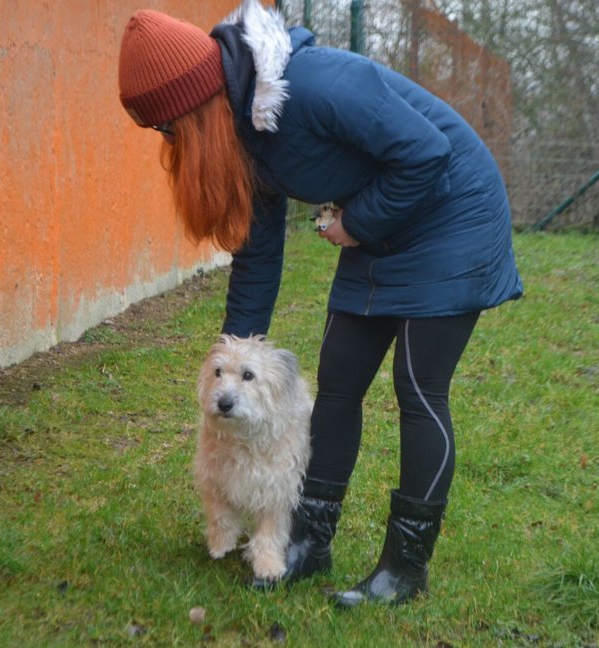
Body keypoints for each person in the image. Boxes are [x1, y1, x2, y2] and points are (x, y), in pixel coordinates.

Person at [118, 0, 523, 607]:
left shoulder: (310, 86)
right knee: (337, 381)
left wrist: (357, 221)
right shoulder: (245, 128)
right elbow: (257, 255)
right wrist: (231, 364)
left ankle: (404, 570)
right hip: (379, 220)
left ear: (191, 109)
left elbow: (427, 153)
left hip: (451, 211)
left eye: (167, 129)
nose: (170, 143)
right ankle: (310, 543)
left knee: (418, 388)